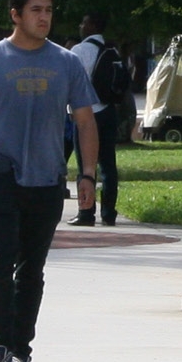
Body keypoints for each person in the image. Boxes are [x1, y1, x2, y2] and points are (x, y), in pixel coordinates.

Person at [0, 0, 98, 362]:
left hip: (47, 179)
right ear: (15, 15)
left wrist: (88, 174)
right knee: (0, 262)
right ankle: (0, 347)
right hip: (1, 176)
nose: (44, 17)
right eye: (35, 10)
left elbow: (85, 121)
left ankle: (22, 350)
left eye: (48, 9)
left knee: (32, 268)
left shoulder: (67, 63)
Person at [69, 12, 121, 226]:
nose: (81, 26)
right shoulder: (112, 50)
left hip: (86, 113)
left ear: (91, 25)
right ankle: (109, 213)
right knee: (108, 164)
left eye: (83, 22)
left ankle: (86, 212)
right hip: (108, 111)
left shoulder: (78, 51)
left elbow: (72, 84)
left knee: (85, 165)